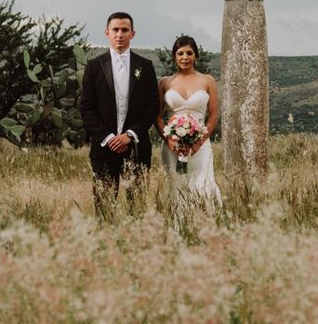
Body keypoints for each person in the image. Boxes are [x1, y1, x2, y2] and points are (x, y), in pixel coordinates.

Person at [79, 12, 159, 217]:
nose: (120, 34)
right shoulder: (94, 66)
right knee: (104, 208)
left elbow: (152, 107)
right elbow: (86, 108)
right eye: (115, 30)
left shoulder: (145, 66)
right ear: (107, 32)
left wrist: (130, 135)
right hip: (104, 148)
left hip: (137, 147)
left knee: (137, 208)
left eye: (125, 30)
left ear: (133, 33)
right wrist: (108, 137)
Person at [156, 35, 222, 213]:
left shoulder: (207, 81)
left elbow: (214, 115)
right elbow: (158, 117)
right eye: (180, 53)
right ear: (174, 57)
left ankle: (206, 226)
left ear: (196, 56)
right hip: (172, 145)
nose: (185, 57)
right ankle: (178, 230)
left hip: (200, 144)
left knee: (203, 183)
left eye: (189, 53)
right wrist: (169, 140)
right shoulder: (164, 82)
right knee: (176, 184)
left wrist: (199, 141)